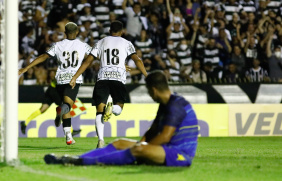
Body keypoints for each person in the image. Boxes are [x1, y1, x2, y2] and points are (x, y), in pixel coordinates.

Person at [44, 70, 199, 167]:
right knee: (119, 142)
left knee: (138, 149)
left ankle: (81, 162)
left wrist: (143, 147)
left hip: (179, 155)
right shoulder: (166, 104)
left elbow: (165, 137)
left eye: (149, 92)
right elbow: (152, 131)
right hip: (165, 149)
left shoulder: (176, 105)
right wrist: (142, 142)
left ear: (154, 90)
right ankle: (76, 158)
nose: (150, 95)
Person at [69, 20, 148, 148]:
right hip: (118, 78)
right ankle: (112, 109)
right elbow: (137, 60)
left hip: (103, 78)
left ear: (110, 30)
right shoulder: (127, 43)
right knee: (119, 109)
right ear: (122, 32)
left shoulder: (101, 42)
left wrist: (75, 77)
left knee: (99, 111)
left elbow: (87, 62)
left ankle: (100, 140)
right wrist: (146, 75)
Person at [19, 22, 92, 145]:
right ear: (77, 32)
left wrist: (26, 68)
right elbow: (95, 56)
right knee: (67, 106)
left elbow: (43, 56)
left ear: (64, 33)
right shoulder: (83, 45)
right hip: (73, 79)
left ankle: (69, 137)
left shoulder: (57, 45)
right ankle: (61, 113)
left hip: (60, 80)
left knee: (65, 107)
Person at [20, 69, 83, 136]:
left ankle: (25, 122)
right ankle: (70, 130)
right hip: (54, 92)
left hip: (50, 91)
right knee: (63, 109)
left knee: (42, 109)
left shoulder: (61, 74)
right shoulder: (62, 74)